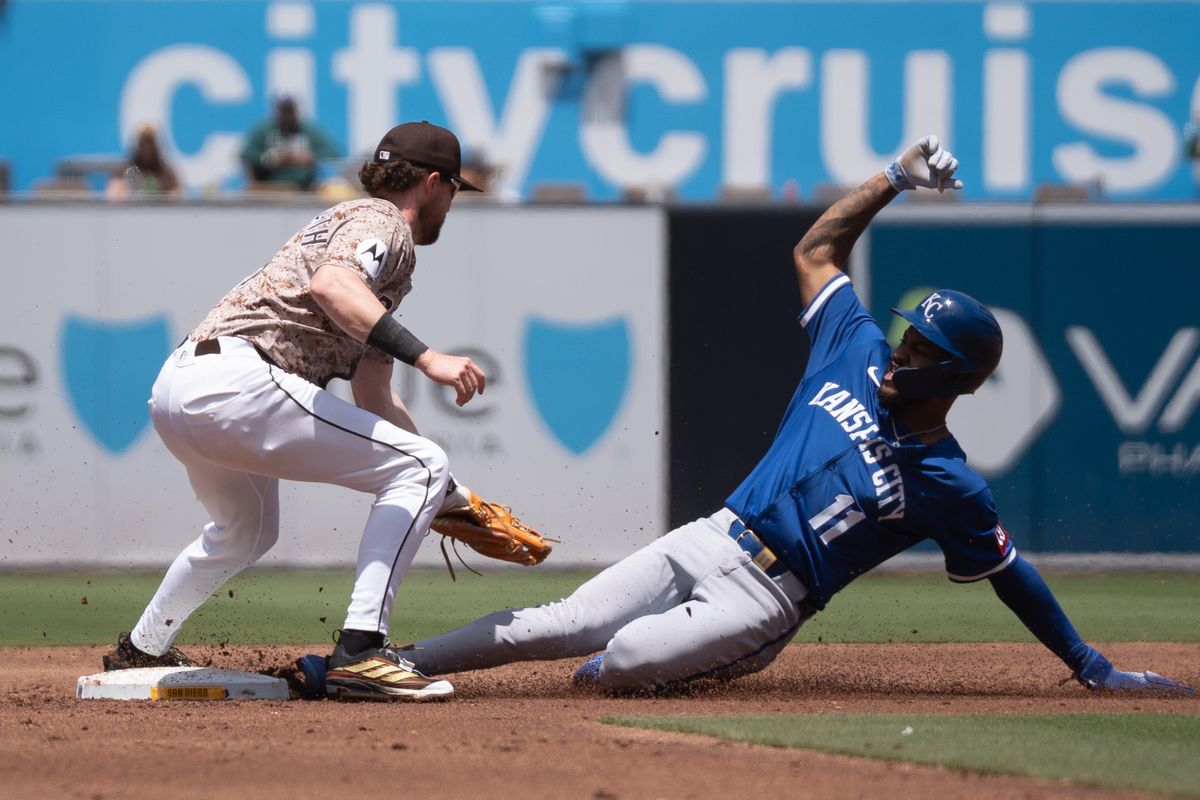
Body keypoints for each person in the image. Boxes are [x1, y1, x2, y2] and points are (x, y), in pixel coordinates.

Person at [402, 136, 1195, 697]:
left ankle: (667, 667)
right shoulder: (854, 348)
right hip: (712, 534)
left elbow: (1009, 573)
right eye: (903, 334)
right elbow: (817, 251)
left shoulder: (949, 482)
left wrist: (1090, 664)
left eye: (917, 350)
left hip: (768, 601)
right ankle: (398, 662)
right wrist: (892, 178)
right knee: (560, 623)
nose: (897, 350)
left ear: (951, 375)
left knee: (625, 657)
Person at [102, 121, 519, 702]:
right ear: (431, 183)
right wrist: (428, 359)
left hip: (181, 388)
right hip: (238, 383)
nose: (452, 203)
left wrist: (449, 492)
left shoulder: (355, 230)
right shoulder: (383, 225)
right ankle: (361, 654)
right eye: (453, 189)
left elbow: (373, 394)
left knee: (246, 530)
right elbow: (331, 285)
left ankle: (141, 647)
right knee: (418, 467)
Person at [240, 93, 339, 191]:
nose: (287, 115)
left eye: (290, 111)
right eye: (284, 111)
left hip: (304, 186)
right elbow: (247, 154)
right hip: (272, 186)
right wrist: (270, 158)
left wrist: (309, 158)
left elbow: (331, 153)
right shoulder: (265, 130)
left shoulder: (308, 131)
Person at [105, 124, 181, 200]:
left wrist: (171, 196)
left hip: (159, 211)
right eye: (144, 143)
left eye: (150, 142)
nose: (147, 148)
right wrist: (121, 191)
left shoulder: (165, 172)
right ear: (137, 144)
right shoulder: (129, 169)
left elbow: (176, 195)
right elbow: (114, 193)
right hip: (131, 210)